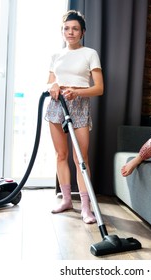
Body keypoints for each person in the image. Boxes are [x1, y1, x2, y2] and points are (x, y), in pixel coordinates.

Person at [45, 10, 104, 223]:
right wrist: (52, 84)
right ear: (62, 32)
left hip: (79, 105)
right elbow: (49, 82)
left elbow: (99, 88)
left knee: (81, 159)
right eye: (66, 28)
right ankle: (67, 200)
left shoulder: (90, 53)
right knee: (61, 155)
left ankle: (86, 208)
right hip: (56, 106)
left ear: (82, 32)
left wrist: (77, 92)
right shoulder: (56, 56)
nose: (70, 32)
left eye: (75, 28)